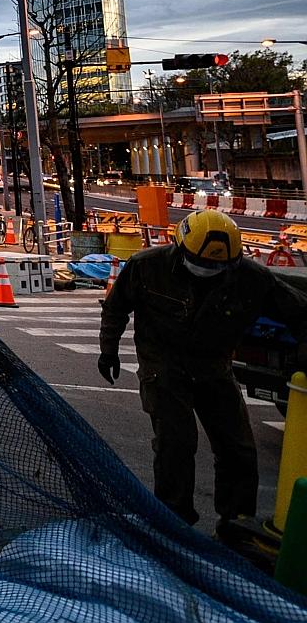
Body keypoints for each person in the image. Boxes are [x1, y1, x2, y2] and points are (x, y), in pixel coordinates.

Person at [99, 209, 307, 528]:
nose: (208, 271)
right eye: (202, 264)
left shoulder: (251, 278)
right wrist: (108, 350)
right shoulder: (147, 266)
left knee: (237, 447)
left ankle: (236, 520)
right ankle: (174, 520)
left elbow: (299, 312)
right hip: (164, 366)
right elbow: (115, 308)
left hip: (214, 367)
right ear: (180, 248)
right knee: (175, 444)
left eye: (217, 267)